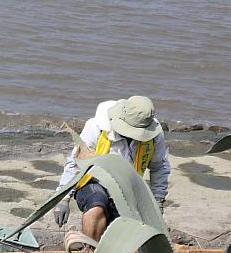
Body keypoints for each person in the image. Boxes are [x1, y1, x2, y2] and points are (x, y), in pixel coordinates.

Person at [53, 96, 170, 242]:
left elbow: (159, 168)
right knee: (96, 205)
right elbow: (75, 164)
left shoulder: (154, 135)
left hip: (127, 187)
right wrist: (63, 199)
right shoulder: (96, 128)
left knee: (125, 229)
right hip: (93, 181)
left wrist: (158, 202)